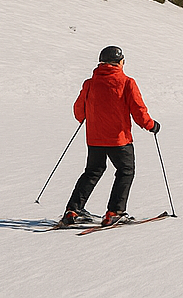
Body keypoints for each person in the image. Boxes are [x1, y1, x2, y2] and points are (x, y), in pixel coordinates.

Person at [62, 46, 158, 228]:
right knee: (125, 171)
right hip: (119, 140)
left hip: (94, 139)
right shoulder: (127, 82)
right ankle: (114, 212)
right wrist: (151, 125)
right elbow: (139, 111)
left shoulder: (90, 83)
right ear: (120, 62)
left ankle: (73, 211)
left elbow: (78, 112)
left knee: (92, 171)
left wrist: (90, 118)